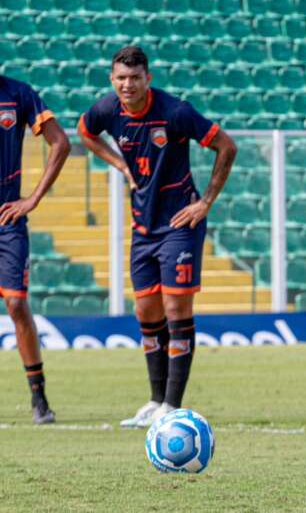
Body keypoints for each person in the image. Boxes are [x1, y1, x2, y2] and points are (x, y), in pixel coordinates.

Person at [79, 46, 237, 428]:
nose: (127, 85)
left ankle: (172, 405)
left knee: (175, 310)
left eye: (135, 78)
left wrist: (206, 203)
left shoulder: (175, 112)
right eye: (121, 78)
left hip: (180, 223)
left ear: (148, 78)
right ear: (112, 79)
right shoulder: (107, 109)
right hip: (143, 227)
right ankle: (154, 400)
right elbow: (85, 133)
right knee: (145, 311)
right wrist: (119, 164)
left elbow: (226, 146)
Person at [0, 75, 70, 423]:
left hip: (7, 220)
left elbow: (61, 143)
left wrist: (33, 198)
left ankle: (39, 397)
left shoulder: (19, 93)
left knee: (16, 303)